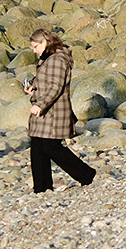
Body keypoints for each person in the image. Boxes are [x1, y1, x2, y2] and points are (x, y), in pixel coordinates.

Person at [23, 28, 96, 192]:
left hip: (53, 111)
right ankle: (42, 188)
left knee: (51, 147)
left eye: (36, 46)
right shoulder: (48, 58)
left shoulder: (57, 60)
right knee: (37, 147)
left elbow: (56, 87)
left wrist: (40, 105)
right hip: (46, 108)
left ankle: (86, 174)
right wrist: (33, 88)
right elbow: (48, 83)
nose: (34, 51)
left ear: (45, 42)